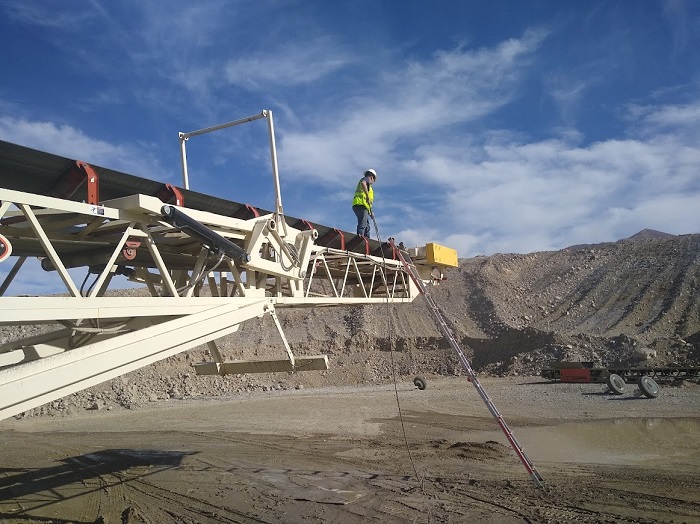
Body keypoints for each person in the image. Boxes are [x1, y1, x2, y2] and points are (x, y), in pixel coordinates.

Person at [352, 169, 377, 237]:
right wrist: (367, 195)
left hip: (361, 206)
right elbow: (363, 183)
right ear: (372, 177)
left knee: (367, 227)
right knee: (362, 225)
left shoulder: (369, 187)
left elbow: (368, 203)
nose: (373, 182)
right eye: (374, 180)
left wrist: (370, 212)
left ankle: (366, 240)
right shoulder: (366, 179)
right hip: (360, 205)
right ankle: (360, 239)